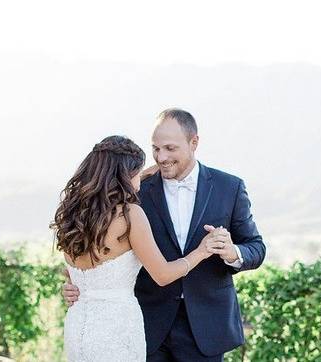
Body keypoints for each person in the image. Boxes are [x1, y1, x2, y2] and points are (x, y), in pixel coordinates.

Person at [63, 109, 266, 361]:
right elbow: (94, 243)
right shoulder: (133, 192)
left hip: (205, 328)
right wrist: (77, 284)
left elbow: (256, 247)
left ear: (194, 143)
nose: (161, 157)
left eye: (170, 148)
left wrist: (233, 252)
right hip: (147, 325)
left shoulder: (230, 187)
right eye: (156, 149)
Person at [52, 135, 220, 361]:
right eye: (136, 173)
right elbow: (163, 274)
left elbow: (78, 274)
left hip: (78, 326)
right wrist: (201, 251)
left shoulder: (72, 215)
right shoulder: (130, 215)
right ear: (125, 176)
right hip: (117, 329)